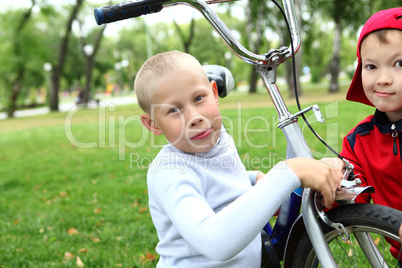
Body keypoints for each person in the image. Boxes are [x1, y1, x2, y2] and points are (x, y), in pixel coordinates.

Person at [135, 50, 343, 267]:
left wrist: (252, 180)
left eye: (198, 98)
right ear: (152, 124)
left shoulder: (216, 138)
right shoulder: (169, 171)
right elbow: (214, 242)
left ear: (214, 93)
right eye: (173, 110)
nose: (194, 117)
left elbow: (212, 175)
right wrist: (290, 172)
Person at [340, 7, 402, 264]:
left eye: (399, 63)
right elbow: (353, 197)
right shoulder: (359, 141)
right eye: (371, 66)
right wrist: (336, 176)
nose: (383, 79)